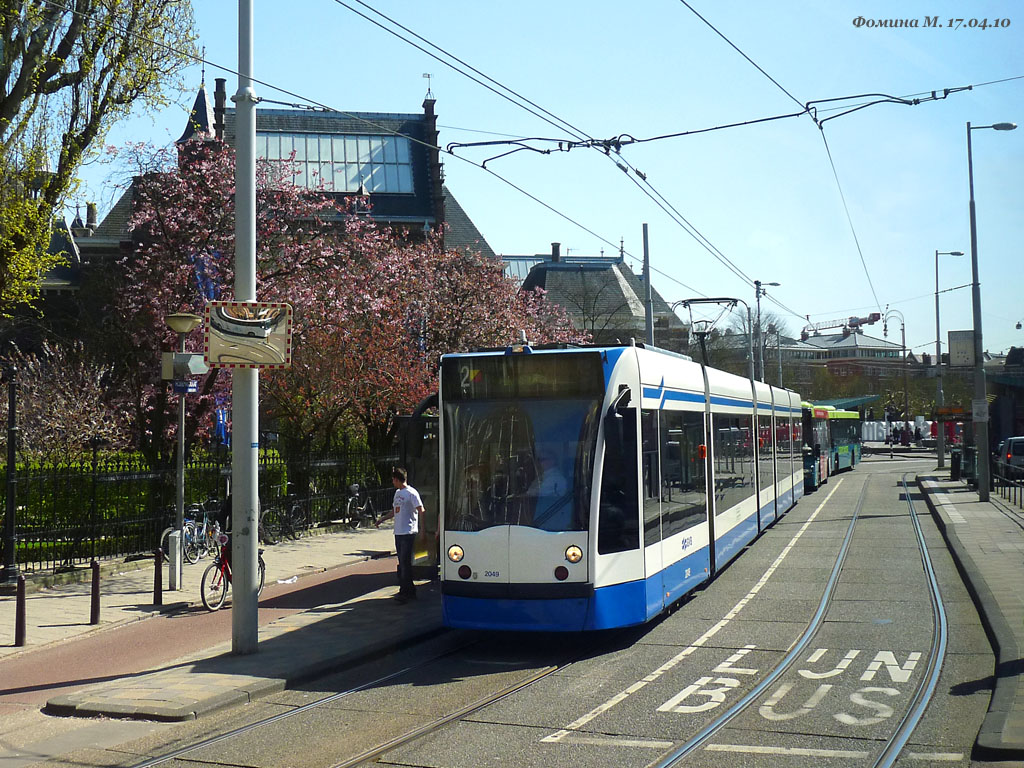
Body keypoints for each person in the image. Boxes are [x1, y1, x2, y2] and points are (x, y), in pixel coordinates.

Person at [375, 467, 424, 603]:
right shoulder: (397, 493)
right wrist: (382, 519)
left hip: (408, 532)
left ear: (397, 479)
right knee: (402, 562)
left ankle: (405, 591)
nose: (392, 482)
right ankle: (410, 590)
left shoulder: (412, 493)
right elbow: (394, 511)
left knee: (405, 563)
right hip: (398, 532)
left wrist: (423, 531)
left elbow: (421, 510)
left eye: (393, 480)